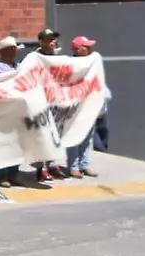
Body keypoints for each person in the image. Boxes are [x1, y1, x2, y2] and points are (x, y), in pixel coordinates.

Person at [66, 35, 106, 179]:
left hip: (89, 103)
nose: (90, 48)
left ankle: (84, 164)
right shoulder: (70, 64)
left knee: (87, 136)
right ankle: (73, 166)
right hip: (75, 105)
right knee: (74, 135)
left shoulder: (94, 61)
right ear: (78, 49)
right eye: (86, 46)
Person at [0, 36, 24, 187]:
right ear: (2, 52)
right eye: (10, 50)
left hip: (17, 108)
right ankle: (1, 175)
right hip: (3, 108)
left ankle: (13, 172)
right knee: (3, 142)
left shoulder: (19, 66)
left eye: (14, 50)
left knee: (17, 142)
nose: (13, 53)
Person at [34, 28, 64, 181]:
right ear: (41, 41)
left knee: (54, 132)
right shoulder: (35, 57)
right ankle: (40, 168)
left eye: (54, 39)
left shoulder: (57, 58)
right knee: (41, 133)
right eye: (50, 39)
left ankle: (52, 164)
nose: (53, 42)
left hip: (54, 99)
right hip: (40, 100)